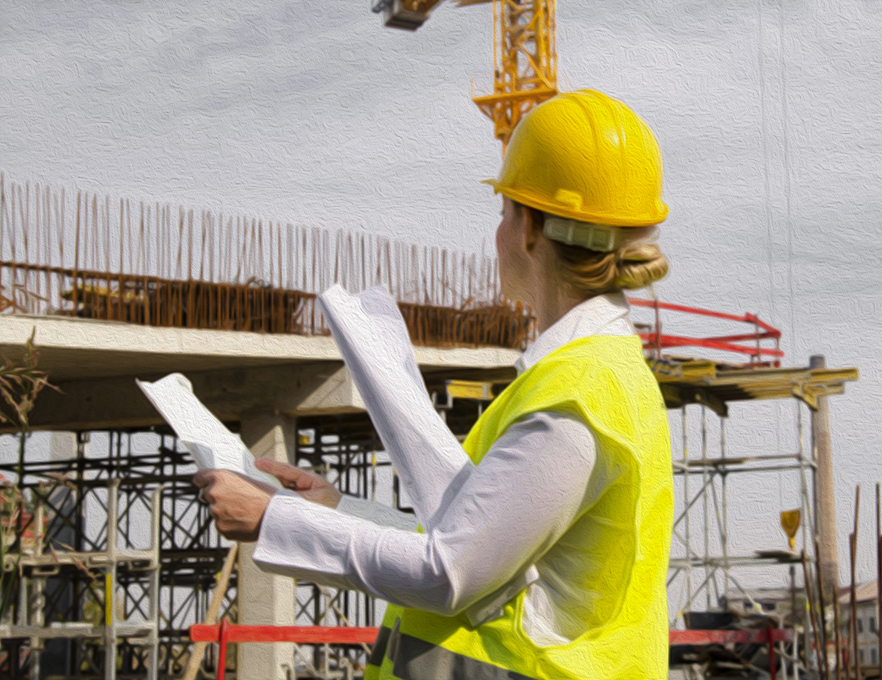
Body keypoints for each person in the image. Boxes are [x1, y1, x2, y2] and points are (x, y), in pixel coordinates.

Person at [194, 89, 674, 680]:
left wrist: (273, 520)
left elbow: (448, 574)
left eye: (503, 212)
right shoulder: (583, 378)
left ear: (527, 226)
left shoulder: (577, 395)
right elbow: (486, 561)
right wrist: (338, 510)